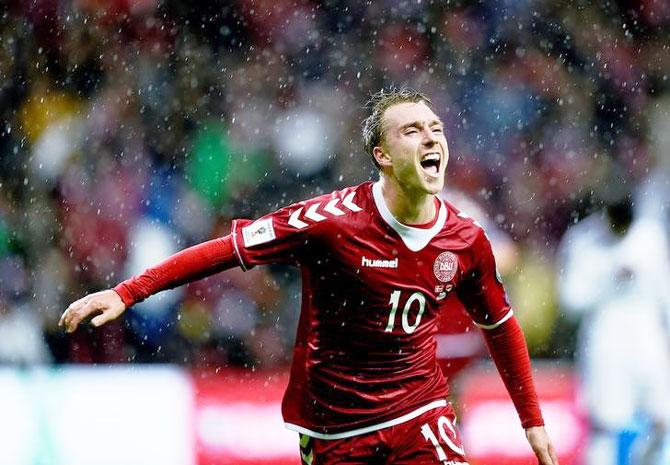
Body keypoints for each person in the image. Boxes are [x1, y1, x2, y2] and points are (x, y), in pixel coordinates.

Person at [60, 88, 558, 465]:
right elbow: (228, 250)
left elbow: (501, 324)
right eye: (412, 130)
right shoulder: (330, 222)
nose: (431, 137)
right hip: (334, 428)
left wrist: (531, 422)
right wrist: (129, 292)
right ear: (382, 156)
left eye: (436, 129)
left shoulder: (465, 238)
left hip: (419, 413)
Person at [557, 185, 670, 465]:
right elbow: (570, 301)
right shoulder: (583, 241)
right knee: (605, 426)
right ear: (604, 216)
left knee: (662, 420)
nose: (622, 232)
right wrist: (609, 278)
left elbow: (665, 291)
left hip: (648, 341)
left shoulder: (649, 237)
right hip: (605, 345)